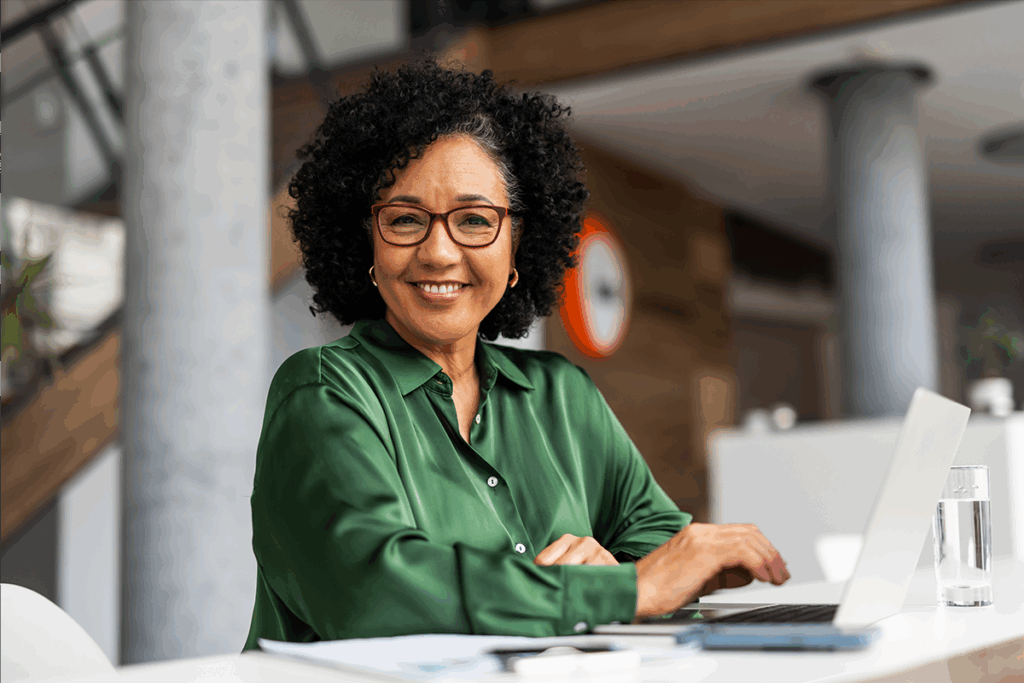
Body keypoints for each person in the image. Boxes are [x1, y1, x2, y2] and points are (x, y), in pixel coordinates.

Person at [243, 59, 789, 648]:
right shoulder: (324, 391)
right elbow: (369, 588)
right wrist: (620, 592)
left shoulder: (561, 392)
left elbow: (653, 533)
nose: (439, 253)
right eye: (404, 220)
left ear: (516, 249)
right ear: (365, 247)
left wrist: (625, 566)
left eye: (475, 220)